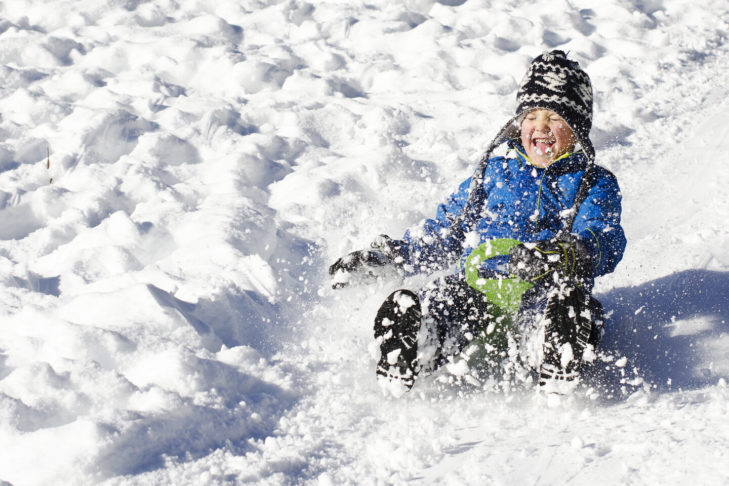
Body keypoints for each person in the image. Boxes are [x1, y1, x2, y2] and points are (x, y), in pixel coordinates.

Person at [329, 50, 626, 395]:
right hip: (478, 287)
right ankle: (416, 341)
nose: (540, 127)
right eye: (531, 116)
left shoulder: (593, 182)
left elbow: (605, 235)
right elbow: (446, 232)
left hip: (542, 287)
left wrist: (572, 252)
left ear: (577, 129)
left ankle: (554, 346)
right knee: (444, 296)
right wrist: (391, 256)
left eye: (554, 118)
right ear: (518, 124)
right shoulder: (494, 174)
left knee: (571, 303)